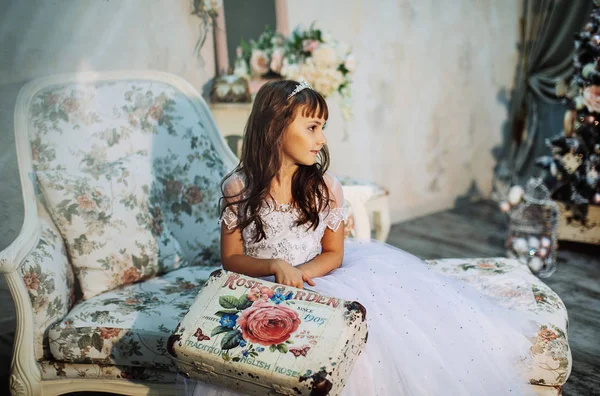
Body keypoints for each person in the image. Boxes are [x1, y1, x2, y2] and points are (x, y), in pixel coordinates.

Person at [177, 80, 535, 395]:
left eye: (323, 127)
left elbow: (334, 252)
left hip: (320, 280)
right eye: (313, 126)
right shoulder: (238, 187)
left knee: (366, 347)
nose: (322, 138)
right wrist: (274, 266)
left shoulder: (325, 188)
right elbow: (232, 259)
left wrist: (301, 275)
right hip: (262, 289)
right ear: (275, 126)